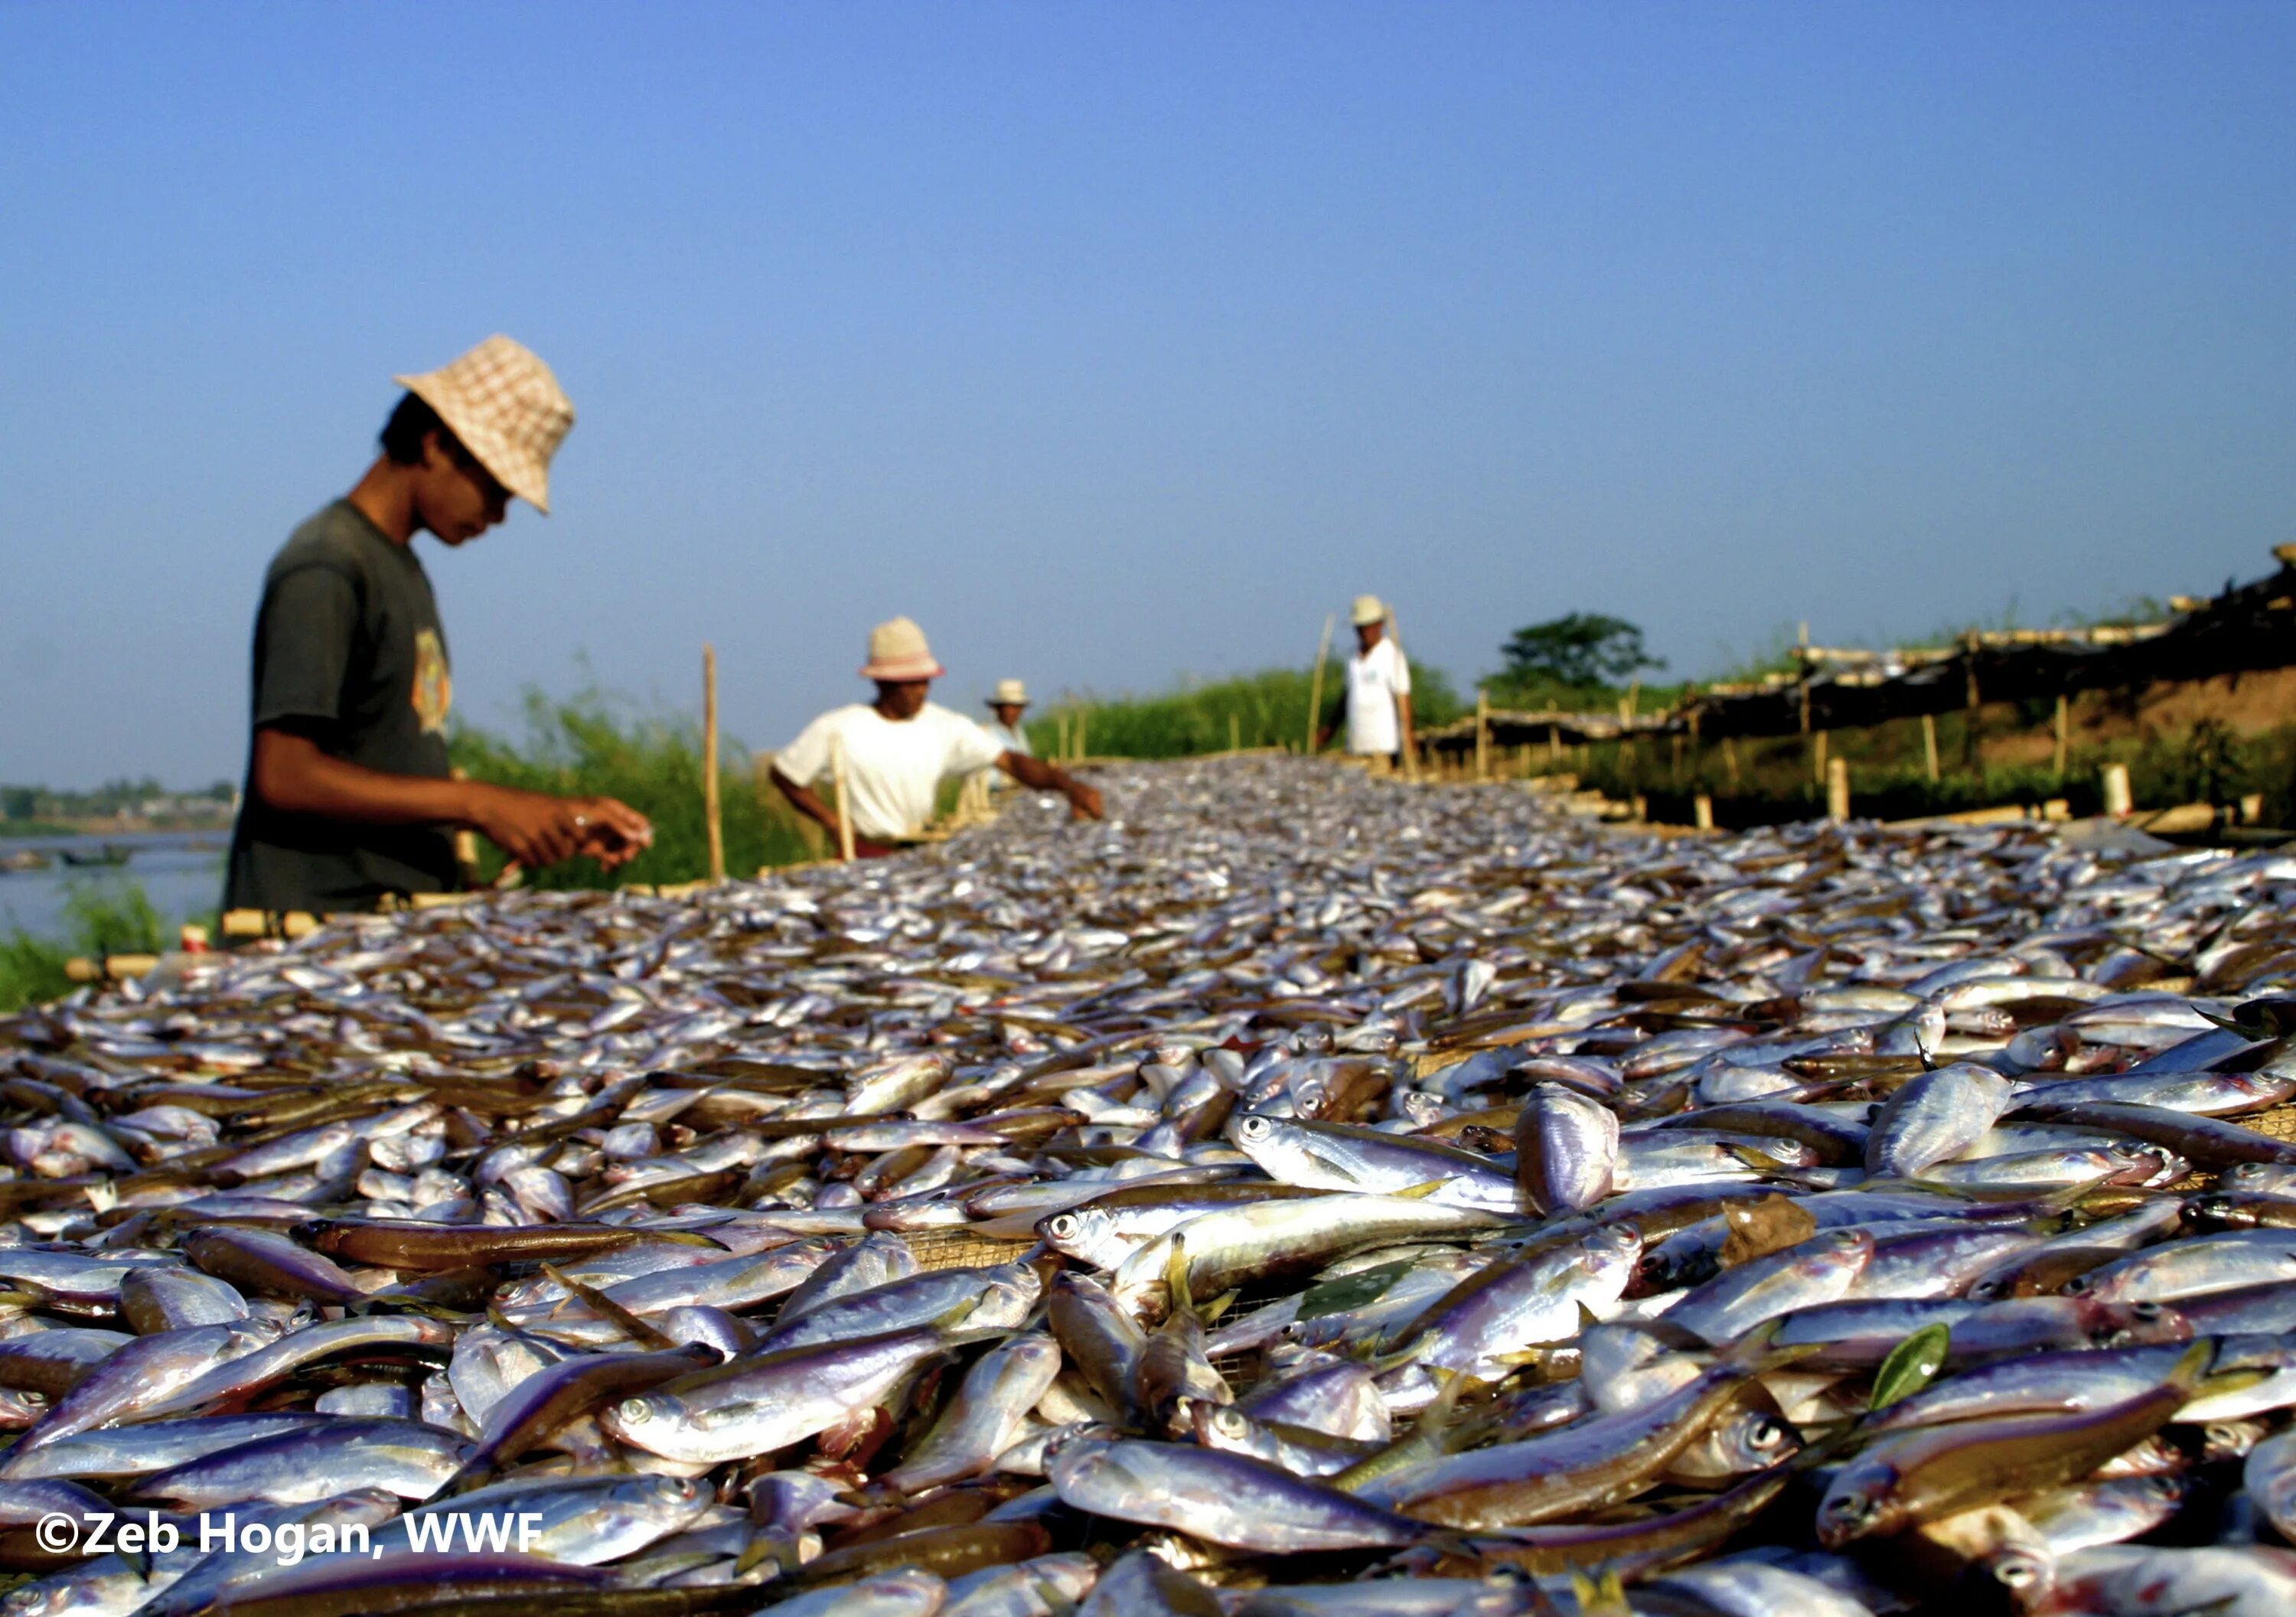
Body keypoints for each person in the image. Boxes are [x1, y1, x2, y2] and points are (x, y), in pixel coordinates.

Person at [223, 336, 651, 916]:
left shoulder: (400, 571)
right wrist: (479, 803)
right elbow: (285, 774)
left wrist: (543, 818)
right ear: (436, 444)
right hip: (316, 933)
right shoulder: (327, 566)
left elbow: (391, 766)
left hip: (392, 924)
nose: (498, 516)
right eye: (495, 489)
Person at [771, 621, 1102, 856]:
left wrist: (1068, 786)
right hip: (865, 850)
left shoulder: (944, 726)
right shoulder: (840, 727)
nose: (921, 690)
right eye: (911, 683)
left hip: (922, 853)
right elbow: (785, 774)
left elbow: (1011, 761)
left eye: (925, 681)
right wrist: (830, 820)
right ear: (884, 684)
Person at [1316, 594, 1416, 765]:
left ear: (1379, 625)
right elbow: (1347, 697)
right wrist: (1330, 730)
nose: (1364, 632)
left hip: (1384, 747)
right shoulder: (1352, 658)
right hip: (1356, 746)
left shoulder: (1392, 655)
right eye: (1360, 627)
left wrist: (1408, 737)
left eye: (1369, 626)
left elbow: (1402, 699)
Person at [983, 680, 1032, 756]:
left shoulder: (1020, 734)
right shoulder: (987, 735)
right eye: (1010, 707)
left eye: (1018, 707)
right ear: (998, 708)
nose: (1014, 712)